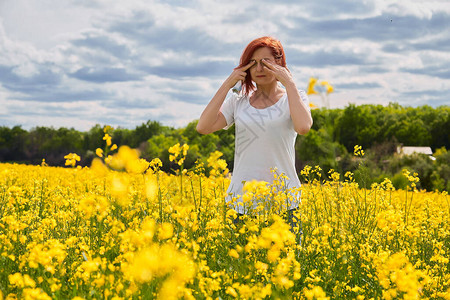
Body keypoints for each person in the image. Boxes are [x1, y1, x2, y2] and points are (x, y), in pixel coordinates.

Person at [196, 36, 312, 223]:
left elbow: (303, 127)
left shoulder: (294, 98)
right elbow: (203, 127)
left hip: (283, 204)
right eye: (253, 63)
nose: (258, 69)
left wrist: (289, 83)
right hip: (241, 203)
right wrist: (227, 85)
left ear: (279, 63)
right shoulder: (238, 101)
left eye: (265, 62)